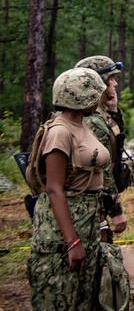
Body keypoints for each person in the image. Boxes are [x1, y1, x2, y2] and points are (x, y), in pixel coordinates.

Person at [27, 68, 110, 310]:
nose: (98, 99)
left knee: (84, 296)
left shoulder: (82, 126)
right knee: (60, 295)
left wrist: (101, 223)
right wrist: (72, 242)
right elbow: (54, 189)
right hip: (64, 226)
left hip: (87, 219)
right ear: (80, 98)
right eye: (94, 95)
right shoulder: (60, 131)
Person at [74, 56, 128, 244]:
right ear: (98, 84)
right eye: (111, 79)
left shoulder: (99, 116)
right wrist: (116, 212)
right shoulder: (91, 122)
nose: (115, 84)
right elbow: (102, 172)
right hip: (89, 208)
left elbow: (117, 140)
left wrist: (113, 110)